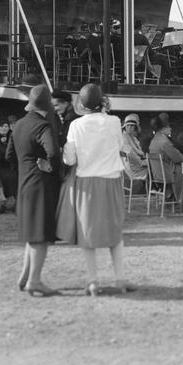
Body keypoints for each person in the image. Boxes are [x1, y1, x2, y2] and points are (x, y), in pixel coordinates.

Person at [63, 83, 136, 295]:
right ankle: (120, 279)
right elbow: (120, 146)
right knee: (115, 231)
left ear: (82, 104)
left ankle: (93, 281)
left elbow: (69, 160)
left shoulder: (76, 125)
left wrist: (67, 149)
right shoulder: (114, 121)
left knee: (87, 233)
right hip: (111, 180)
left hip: (86, 182)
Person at [6, 85, 61, 295]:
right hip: (41, 184)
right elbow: (53, 153)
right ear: (47, 106)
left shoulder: (19, 124)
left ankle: (25, 276)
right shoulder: (43, 126)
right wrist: (52, 167)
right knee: (40, 235)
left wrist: (24, 169)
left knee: (32, 233)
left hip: (24, 183)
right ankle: (34, 281)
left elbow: (9, 156)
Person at [148, 113, 183, 215]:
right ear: (162, 129)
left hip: (157, 176)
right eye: (168, 127)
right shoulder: (165, 142)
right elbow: (179, 158)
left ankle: (177, 200)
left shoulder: (153, 141)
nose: (170, 129)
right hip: (170, 175)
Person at [121, 113, 149, 193]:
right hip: (131, 168)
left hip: (135, 165)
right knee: (155, 170)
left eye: (132, 126)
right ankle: (155, 190)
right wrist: (141, 163)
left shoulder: (134, 139)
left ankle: (154, 190)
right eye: (128, 125)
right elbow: (130, 152)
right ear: (125, 126)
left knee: (155, 168)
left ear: (135, 127)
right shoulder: (123, 138)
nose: (129, 127)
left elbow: (139, 152)